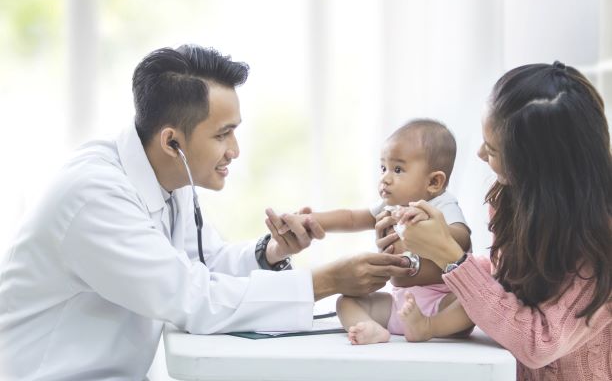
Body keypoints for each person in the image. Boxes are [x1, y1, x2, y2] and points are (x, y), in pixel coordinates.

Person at [0, 44, 413, 381]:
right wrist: (328, 280)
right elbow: (194, 298)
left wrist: (269, 252)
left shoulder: (164, 175)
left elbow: (204, 262)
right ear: (172, 142)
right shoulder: (94, 197)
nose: (234, 150)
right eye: (223, 134)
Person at [386, 61, 612, 380]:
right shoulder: (515, 198)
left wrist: (449, 256)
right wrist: (419, 261)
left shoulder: (602, 243)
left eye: (492, 149)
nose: (479, 153)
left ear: (538, 167)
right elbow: (503, 282)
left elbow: (538, 342)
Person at [271, 119, 472, 344]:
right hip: (398, 305)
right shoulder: (389, 207)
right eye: (383, 168)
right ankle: (371, 328)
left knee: (472, 303)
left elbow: (462, 238)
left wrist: (434, 230)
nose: (385, 178)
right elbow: (351, 218)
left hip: (441, 301)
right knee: (345, 302)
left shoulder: (441, 204)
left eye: (398, 169)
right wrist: (312, 220)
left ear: (434, 182)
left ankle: (428, 327)